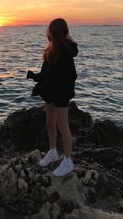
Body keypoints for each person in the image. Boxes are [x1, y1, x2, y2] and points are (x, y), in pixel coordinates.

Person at [27, 18, 78, 176]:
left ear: (55, 32)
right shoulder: (50, 49)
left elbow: (71, 76)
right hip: (49, 92)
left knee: (63, 127)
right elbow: (47, 73)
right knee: (50, 123)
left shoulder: (66, 52)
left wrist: (53, 83)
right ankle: (53, 151)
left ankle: (68, 161)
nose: (47, 32)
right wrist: (36, 77)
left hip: (61, 94)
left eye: (49, 29)